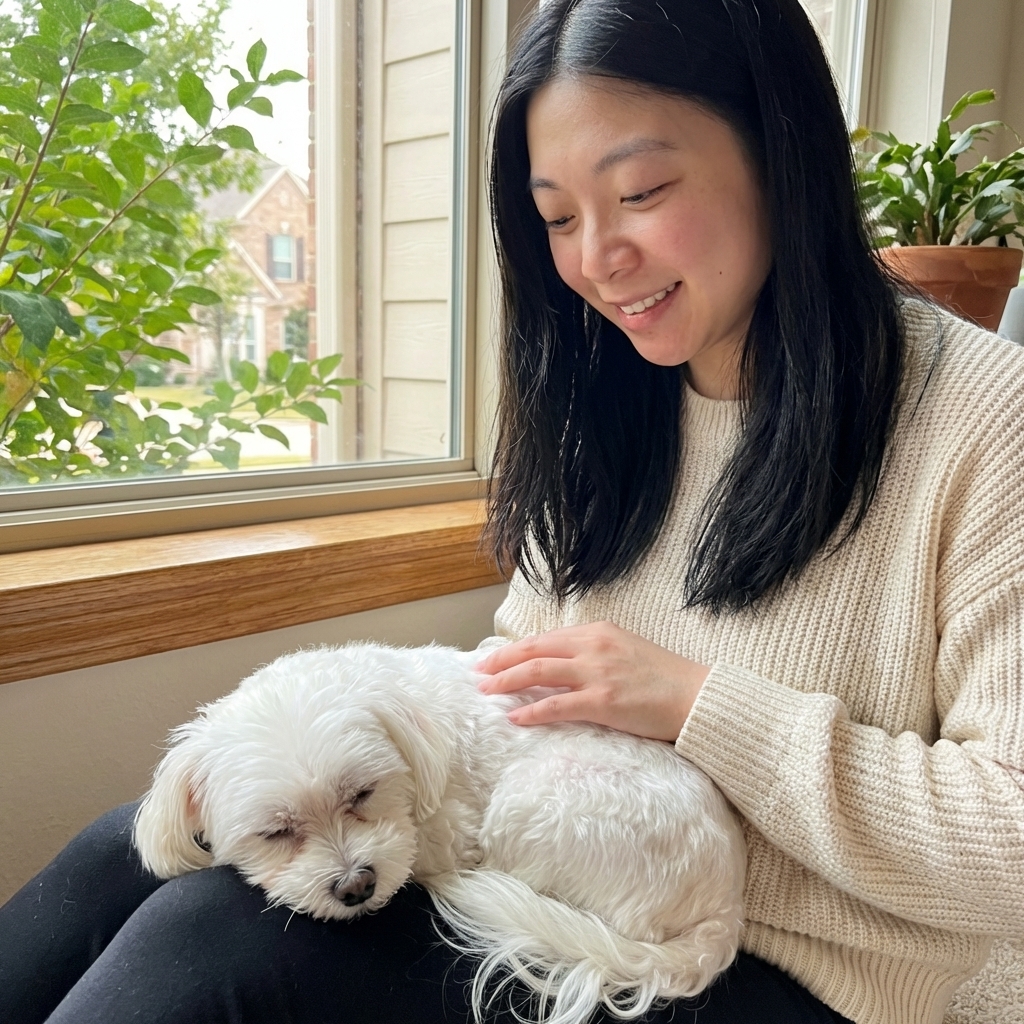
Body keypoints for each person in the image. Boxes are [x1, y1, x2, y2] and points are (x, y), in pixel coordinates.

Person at [2, 0, 1022, 1022]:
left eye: (639, 190)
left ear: (780, 150)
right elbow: (520, 695)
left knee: (213, 946)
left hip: (804, 974)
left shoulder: (983, 419)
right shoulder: (609, 402)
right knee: (119, 852)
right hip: (565, 875)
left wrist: (698, 707)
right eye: (558, 217)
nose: (595, 259)